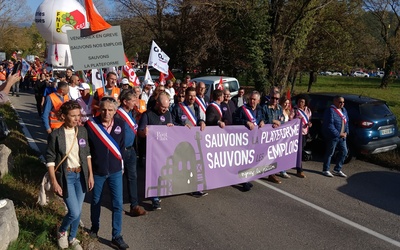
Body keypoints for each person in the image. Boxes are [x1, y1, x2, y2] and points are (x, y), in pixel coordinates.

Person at [46, 100, 94, 250]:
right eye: (73, 116)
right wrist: (54, 182)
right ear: (64, 116)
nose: (76, 119)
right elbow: (50, 160)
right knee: (73, 211)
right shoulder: (56, 134)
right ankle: (61, 231)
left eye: (78, 115)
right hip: (66, 177)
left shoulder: (82, 131)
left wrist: (90, 175)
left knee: (78, 211)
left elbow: (87, 155)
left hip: (81, 175)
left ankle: (72, 237)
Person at [85, 97, 129, 249]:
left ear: (115, 111)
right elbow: (87, 151)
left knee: (117, 204)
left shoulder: (120, 124)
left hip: (115, 171)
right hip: (97, 171)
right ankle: (94, 228)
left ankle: (116, 236)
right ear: (99, 109)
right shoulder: (91, 125)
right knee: (96, 201)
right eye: (103, 109)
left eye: (110, 110)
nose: (106, 113)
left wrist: (120, 165)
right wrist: (90, 172)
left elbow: (122, 147)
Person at [138, 92, 174, 210]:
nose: (165, 109)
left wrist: (172, 127)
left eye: (167, 107)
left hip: (164, 150)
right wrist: (145, 132)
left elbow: (172, 129)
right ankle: (154, 199)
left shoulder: (168, 113)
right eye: (163, 107)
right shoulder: (147, 115)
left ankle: (159, 192)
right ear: (157, 103)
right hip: (151, 151)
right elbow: (140, 132)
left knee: (162, 173)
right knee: (153, 174)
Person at [115, 90, 148, 216]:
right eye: (133, 100)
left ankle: (134, 205)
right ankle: (117, 205)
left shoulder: (132, 113)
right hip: (120, 152)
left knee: (132, 178)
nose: (135, 103)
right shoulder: (117, 116)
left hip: (131, 150)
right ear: (125, 101)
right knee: (118, 179)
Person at [171, 87, 207, 197]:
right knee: (179, 165)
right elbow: (171, 123)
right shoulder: (178, 107)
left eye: (194, 96)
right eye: (190, 95)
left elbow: (199, 119)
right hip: (180, 141)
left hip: (193, 141)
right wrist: (182, 126)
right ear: (186, 95)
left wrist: (201, 122)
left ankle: (195, 188)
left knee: (193, 164)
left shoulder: (196, 107)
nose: (192, 98)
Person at [234, 91, 265, 191]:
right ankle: (244, 181)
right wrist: (245, 122)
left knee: (250, 160)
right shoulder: (242, 109)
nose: (252, 101)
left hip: (255, 140)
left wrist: (263, 121)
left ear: (258, 101)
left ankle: (246, 178)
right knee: (244, 160)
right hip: (243, 140)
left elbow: (264, 118)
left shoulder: (260, 110)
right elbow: (235, 119)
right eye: (251, 99)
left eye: (254, 99)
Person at [322, 95, 349, 178]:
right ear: (335, 101)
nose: (342, 104)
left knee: (344, 152)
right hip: (333, 136)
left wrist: (346, 132)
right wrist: (338, 134)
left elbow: (347, 122)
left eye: (343, 102)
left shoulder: (344, 110)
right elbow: (329, 125)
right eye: (340, 102)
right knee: (330, 153)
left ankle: (337, 169)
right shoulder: (330, 111)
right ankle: (325, 169)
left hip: (342, 137)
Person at [263, 90, 284, 184]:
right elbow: (262, 119)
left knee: (274, 154)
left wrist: (279, 123)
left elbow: (282, 119)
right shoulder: (264, 107)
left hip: (276, 136)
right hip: (266, 136)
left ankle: (272, 173)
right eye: (273, 98)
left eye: (277, 98)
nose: (275, 100)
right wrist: (273, 122)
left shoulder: (280, 108)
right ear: (269, 97)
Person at [291, 94, 312, 178]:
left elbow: (309, 119)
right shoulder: (295, 110)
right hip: (297, 134)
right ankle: (299, 169)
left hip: (305, 133)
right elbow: (290, 120)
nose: (300, 103)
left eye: (302, 102)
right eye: (299, 101)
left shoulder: (308, 110)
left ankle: (295, 164)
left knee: (300, 150)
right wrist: (296, 119)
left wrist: (310, 124)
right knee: (299, 151)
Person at [277, 96, 292, 179]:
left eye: (288, 103)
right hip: (278, 135)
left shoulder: (288, 112)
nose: (286, 105)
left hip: (286, 135)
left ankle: (283, 170)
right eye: (285, 103)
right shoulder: (278, 111)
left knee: (284, 153)